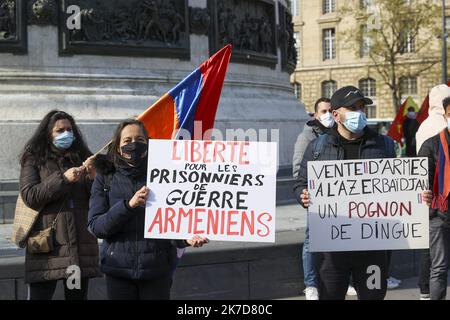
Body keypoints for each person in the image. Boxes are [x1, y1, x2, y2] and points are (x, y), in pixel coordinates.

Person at [293, 86, 396, 300]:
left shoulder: (383, 145)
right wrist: (303, 195)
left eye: (361, 108)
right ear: (336, 114)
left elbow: (397, 187)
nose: (359, 113)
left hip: (372, 248)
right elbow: (300, 183)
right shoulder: (317, 148)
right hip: (332, 250)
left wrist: (416, 197)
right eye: (352, 108)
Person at [88, 119, 208, 300]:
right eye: (127, 141)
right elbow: (97, 227)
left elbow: (173, 221)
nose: (134, 145)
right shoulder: (105, 177)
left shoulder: (165, 173)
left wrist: (186, 238)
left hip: (157, 270)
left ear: (148, 143)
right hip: (118, 271)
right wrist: (128, 206)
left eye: (140, 140)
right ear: (118, 147)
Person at [19, 110, 100, 300]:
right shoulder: (34, 159)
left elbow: (98, 198)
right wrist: (63, 179)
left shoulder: (83, 156)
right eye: (60, 130)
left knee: (77, 297)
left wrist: (93, 178)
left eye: (69, 129)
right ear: (48, 133)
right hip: (46, 248)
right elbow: (30, 195)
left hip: (78, 249)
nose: (66, 134)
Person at [292, 98, 334, 300]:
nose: (328, 114)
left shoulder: (337, 134)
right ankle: (311, 284)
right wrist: (306, 192)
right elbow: (298, 169)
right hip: (316, 198)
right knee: (311, 240)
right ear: (315, 114)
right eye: (323, 111)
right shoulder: (306, 137)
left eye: (330, 110)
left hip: (337, 198)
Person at [415, 84, 450, 300]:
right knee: (439, 268)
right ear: (445, 115)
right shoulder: (431, 144)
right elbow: (420, 179)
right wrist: (423, 192)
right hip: (439, 214)